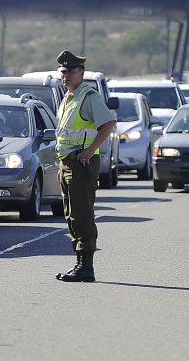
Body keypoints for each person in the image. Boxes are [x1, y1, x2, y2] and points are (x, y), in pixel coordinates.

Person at [53, 50, 116, 283]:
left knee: (82, 215)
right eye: (63, 72)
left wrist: (90, 151)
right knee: (71, 215)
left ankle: (86, 267)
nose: (66, 76)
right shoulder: (69, 98)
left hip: (81, 163)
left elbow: (108, 123)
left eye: (70, 72)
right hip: (67, 162)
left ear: (81, 72)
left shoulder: (88, 96)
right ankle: (79, 264)